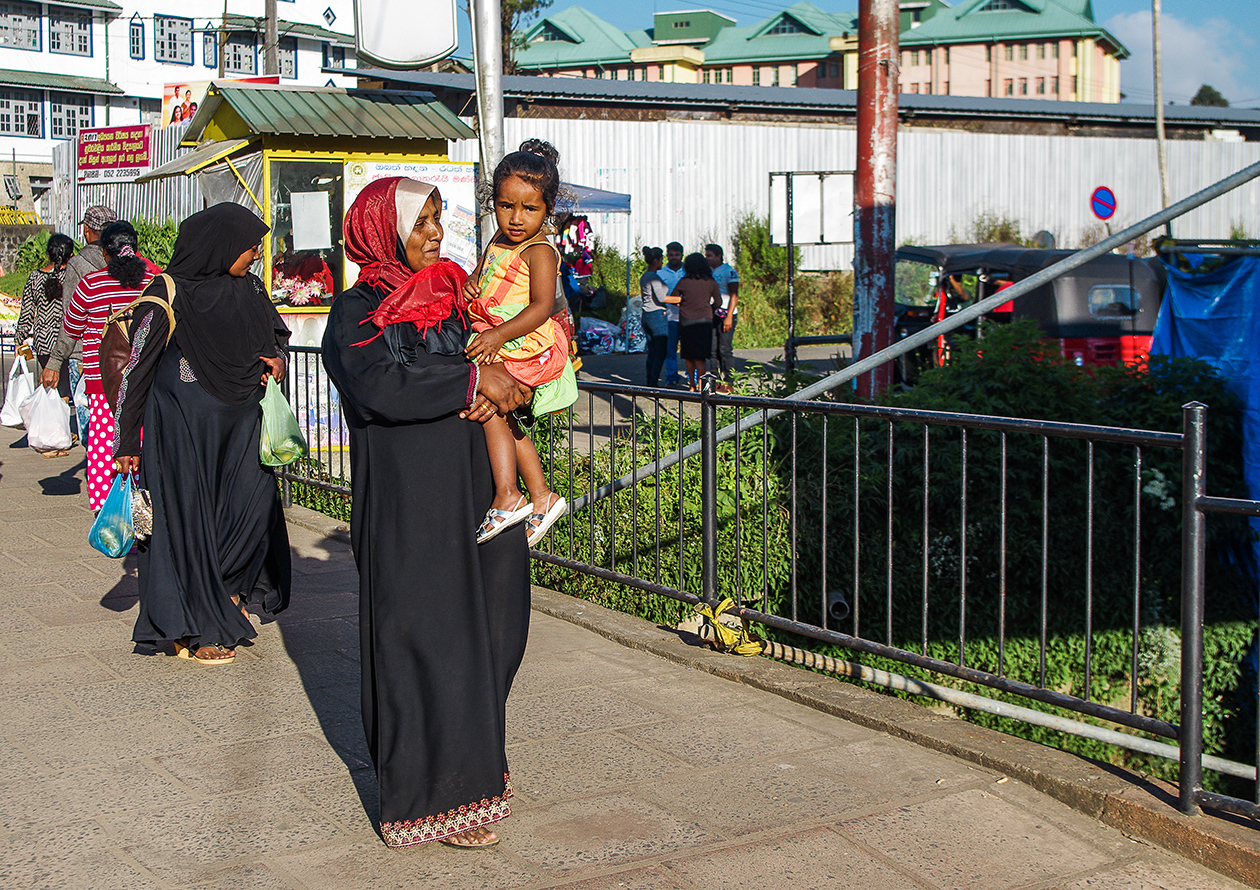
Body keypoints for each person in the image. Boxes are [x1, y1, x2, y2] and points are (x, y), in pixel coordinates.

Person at [321, 176, 533, 848]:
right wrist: (472, 380)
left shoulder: (446, 297)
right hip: (411, 504)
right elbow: (379, 385)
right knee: (428, 640)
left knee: (497, 627)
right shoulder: (357, 311)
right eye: (420, 224)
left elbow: (496, 358)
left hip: (475, 491)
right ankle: (437, 793)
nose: (436, 234)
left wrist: (506, 385)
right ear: (382, 231)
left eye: (439, 220)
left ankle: (478, 761)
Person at [113, 203, 292, 665]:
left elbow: (277, 338)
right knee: (190, 526)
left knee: (251, 513)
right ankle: (194, 626)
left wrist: (277, 360)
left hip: (243, 430)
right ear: (221, 244)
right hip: (182, 435)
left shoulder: (250, 289)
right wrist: (127, 441)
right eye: (249, 246)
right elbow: (136, 371)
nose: (255, 253)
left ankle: (229, 592)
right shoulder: (168, 294)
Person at [464, 139, 572, 547]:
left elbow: (543, 306)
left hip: (526, 341)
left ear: (548, 210)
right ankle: (542, 496)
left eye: (530, 209)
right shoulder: (500, 237)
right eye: (506, 206)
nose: (515, 217)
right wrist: (473, 281)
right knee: (505, 416)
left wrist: (496, 334)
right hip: (501, 336)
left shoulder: (540, 249)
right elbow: (484, 270)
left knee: (489, 402)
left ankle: (509, 495)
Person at [41, 221, 160, 511]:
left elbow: (70, 330)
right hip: (147, 379)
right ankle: (144, 506)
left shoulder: (90, 284)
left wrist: (54, 364)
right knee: (144, 442)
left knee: (103, 444)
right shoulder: (153, 283)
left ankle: (104, 508)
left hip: (102, 380)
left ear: (105, 254)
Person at [50, 204, 116, 447]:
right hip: (122, 353)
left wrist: (56, 361)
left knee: (92, 431)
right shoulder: (129, 263)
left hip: (85, 356)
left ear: (87, 231)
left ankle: (99, 474)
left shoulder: (77, 265)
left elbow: (70, 318)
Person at [14, 233, 75, 457]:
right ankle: (59, 439)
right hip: (65, 339)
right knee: (64, 392)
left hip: (42, 340)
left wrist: (20, 336)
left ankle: (50, 439)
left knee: (49, 387)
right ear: (69, 254)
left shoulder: (34, 277)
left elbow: (27, 311)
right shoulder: (71, 275)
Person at [673, 252, 721, 391]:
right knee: (701, 357)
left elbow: (674, 297)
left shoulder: (684, 282)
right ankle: (702, 385)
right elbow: (718, 302)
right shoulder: (711, 282)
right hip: (704, 321)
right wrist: (709, 309)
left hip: (686, 320)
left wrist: (684, 304)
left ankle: (692, 385)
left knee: (689, 356)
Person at [705, 243, 739, 392]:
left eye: (709, 256)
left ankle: (729, 381)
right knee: (712, 349)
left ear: (718, 256)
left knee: (724, 349)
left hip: (726, 312)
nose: (707, 259)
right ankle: (715, 380)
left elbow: (734, 295)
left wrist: (729, 316)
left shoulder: (729, 272)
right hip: (712, 313)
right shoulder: (708, 272)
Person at [639, 246, 672, 387]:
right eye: (661, 260)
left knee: (652, 350)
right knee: (660, 351)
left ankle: (650, 380)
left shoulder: (645, 276)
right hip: (656, 315)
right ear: (656, 260)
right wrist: (681, 299)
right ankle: (654, 381)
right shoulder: (653, 277)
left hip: (646, 314)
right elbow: (662, 297)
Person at [658, 241, 686, 387]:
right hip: (669, 316)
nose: (674, 257)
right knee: (670, 349)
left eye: (677, 255)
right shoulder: (660, 273)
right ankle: (671, 377)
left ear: (682, 255)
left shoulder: (687, 272)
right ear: (667, 255)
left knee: (688, 349)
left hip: (687, 316)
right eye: (671, 255)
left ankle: (691, 377)